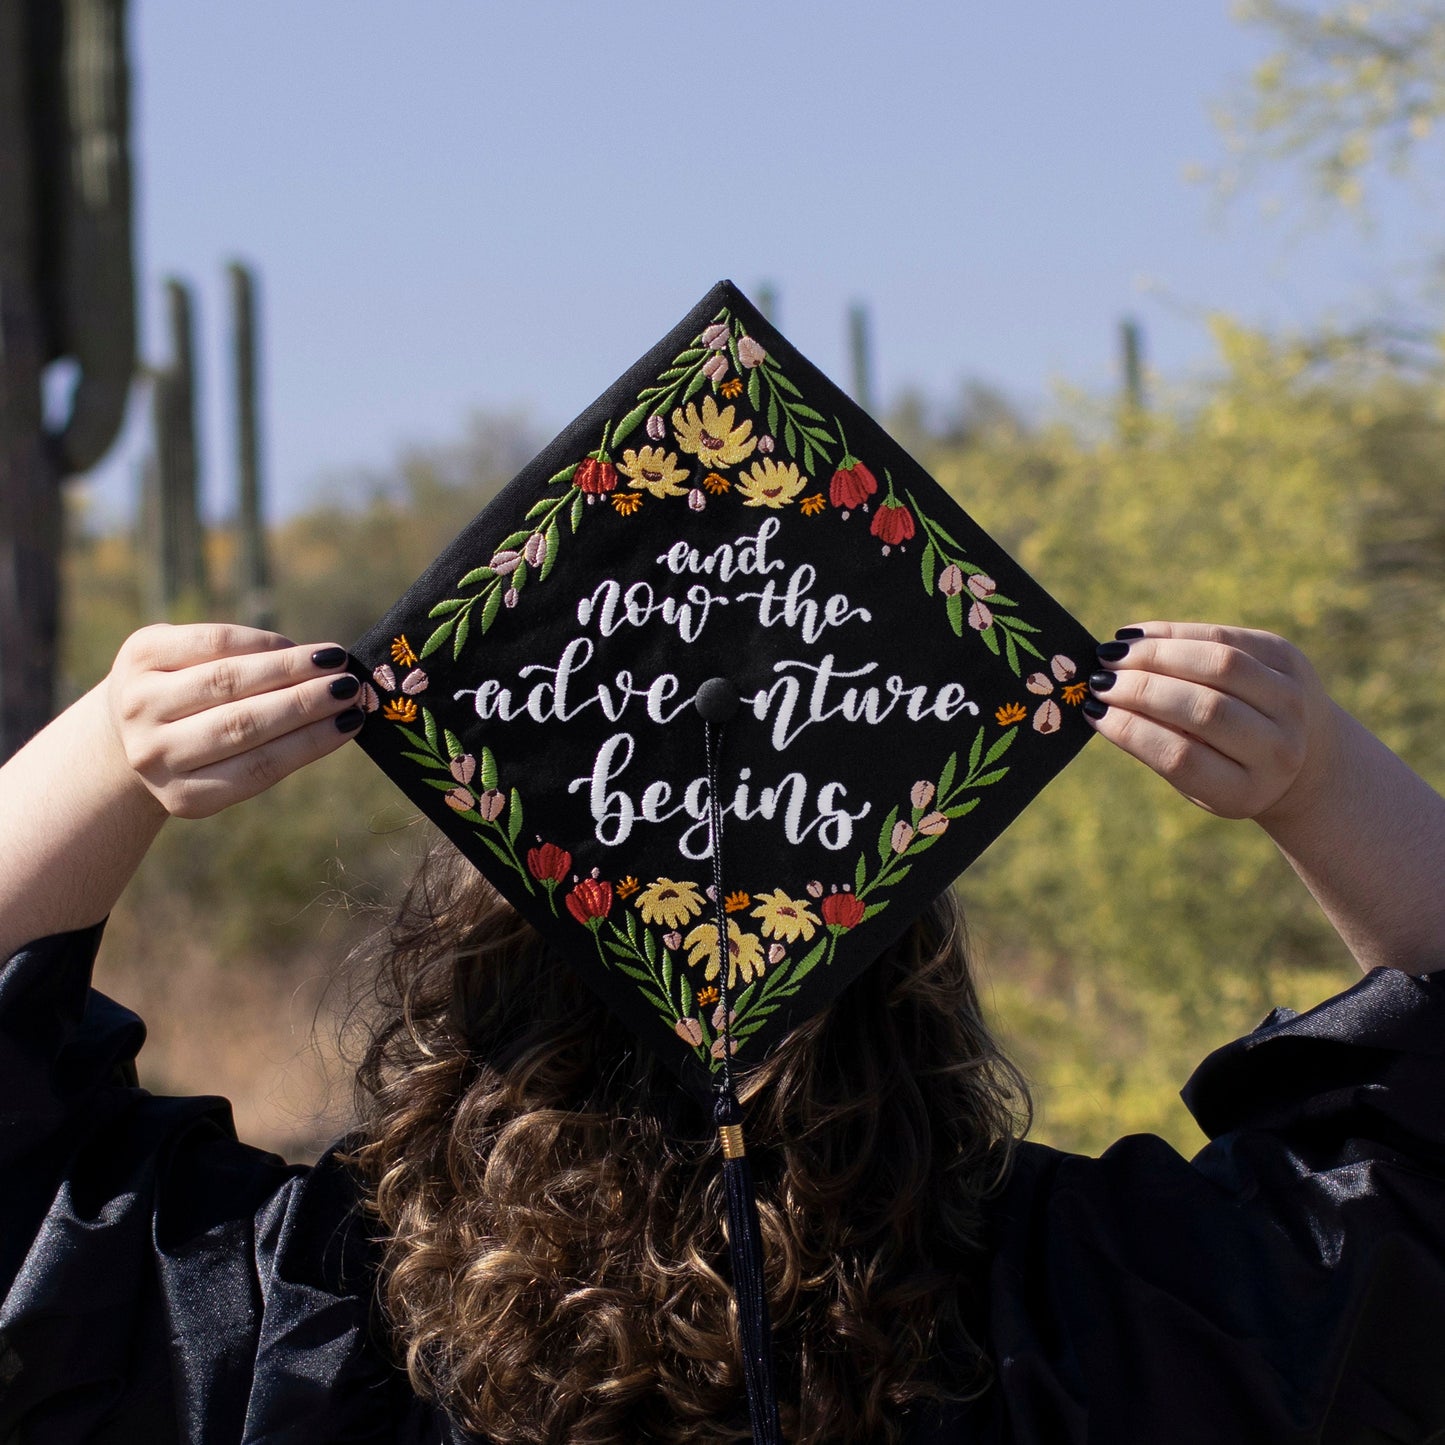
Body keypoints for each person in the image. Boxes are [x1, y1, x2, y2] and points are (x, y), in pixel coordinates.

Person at [2, 617, 1445, 1444]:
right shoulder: (1082, 1303)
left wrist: (110, 751)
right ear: (907, 969)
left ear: (470, 971)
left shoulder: (310, 1313)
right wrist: (1310, 773)